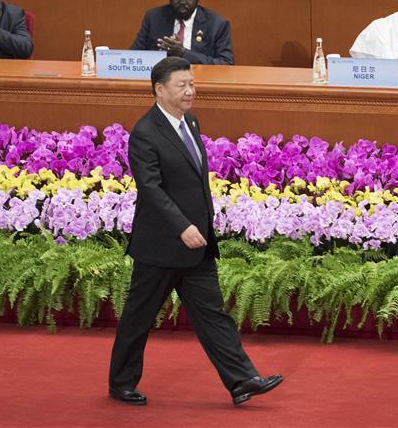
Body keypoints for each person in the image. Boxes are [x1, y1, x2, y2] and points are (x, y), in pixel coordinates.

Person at [108, 56, 283, 406]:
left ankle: (241, 380)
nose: (190, 91)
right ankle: (121, 383)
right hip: (161, 245)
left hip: (197, 243)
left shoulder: (191, 121)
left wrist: (200, 225)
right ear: (159, 90)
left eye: (192, 84)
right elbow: (151, 189)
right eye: (181, 86)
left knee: (212, 313)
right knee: (139, 317)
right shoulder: (144, 133)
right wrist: (182, 226)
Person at [131, 0, 233, 65]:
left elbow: (226, 63)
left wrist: (183, 53)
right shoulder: (153, 18)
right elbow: (134, 56)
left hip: (198, 79)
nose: (182, 1)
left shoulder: (217, 24)